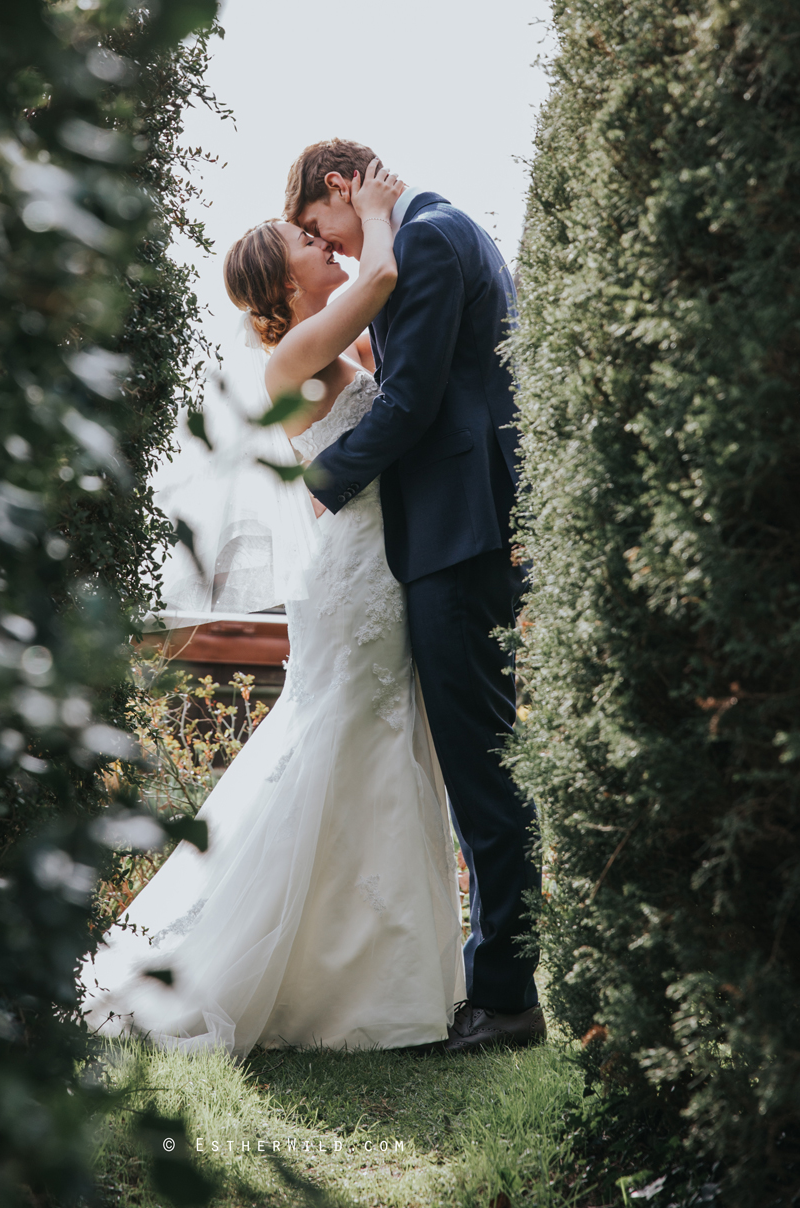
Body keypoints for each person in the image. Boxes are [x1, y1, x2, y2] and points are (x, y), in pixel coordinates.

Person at [78, 161, 465, 1052]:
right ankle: (307, 977)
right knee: (339, 746)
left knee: (379, 746)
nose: (324, 246)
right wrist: (374, 212)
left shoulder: (330, 342)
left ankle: (375, 975)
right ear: (286, 282)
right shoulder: (295, 353)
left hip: (376, 567)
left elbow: (398, 364)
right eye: (307, 243)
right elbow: (381, 279)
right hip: (356, 579)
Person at [287, 138, 544, 1055]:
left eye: (327, 230)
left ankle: (507, 996)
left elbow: (411, 399)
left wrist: (321, 484)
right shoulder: (431, 231)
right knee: (480, 757)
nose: (342, 252)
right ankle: (497, 982)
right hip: (454, 528)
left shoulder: (430, 236)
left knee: (481, 764)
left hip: (456, 532)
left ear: (341, 187)